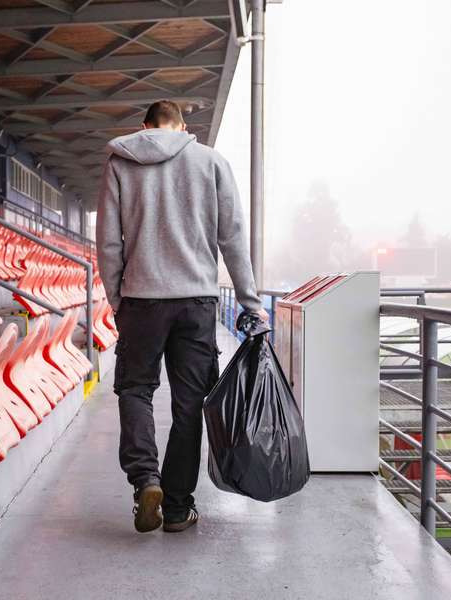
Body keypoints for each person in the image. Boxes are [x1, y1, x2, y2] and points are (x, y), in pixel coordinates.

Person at [97, 100, 267, 534]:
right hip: (197, 302)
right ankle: (176, 508)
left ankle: (145, 481)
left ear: (145, 127)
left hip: (141, 298)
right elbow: (232, 239)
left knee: (135, 390)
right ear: (183, 127)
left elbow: (109, 243)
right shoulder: (210, 162)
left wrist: (118, 299)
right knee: (190, 405)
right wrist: (250, 303)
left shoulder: (120, 163)